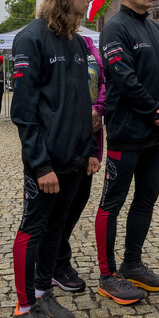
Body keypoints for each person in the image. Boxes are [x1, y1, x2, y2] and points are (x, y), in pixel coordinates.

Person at [10, 0, 99, 318]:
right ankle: (23, 309)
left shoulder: (77, 43)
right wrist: (40, 164)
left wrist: (90, 150)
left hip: (75, 161)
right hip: (46, 164)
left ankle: (43, 292)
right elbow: (23, 112)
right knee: (33, 228)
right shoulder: (30, 38)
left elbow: (83, 104)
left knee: (57, 229)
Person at [94, 0, 159, 303]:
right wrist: (157, 113)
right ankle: (107, 275)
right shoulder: (115, 28)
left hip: (156, 136)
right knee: (112, 203)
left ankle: (132, 264)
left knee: (146, 199)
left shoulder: (157, 28)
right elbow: (124, 80)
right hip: (127, 133)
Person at [52, 32, 106, 293]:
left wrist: (99, 108)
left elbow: (104, 81)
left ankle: (55, 258)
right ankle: (56, 263)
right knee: (59, 206)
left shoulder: (88, 45)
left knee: (79, 199)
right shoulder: (50, 42)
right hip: (63, 136)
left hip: (90, 136)